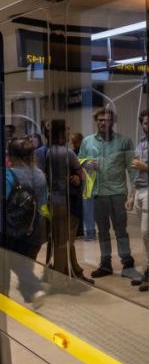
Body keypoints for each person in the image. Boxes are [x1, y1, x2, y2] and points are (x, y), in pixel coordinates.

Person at [78, 108, 141, 281]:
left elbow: (132, 168)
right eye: (100, 120)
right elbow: (79, 159)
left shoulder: (124, 142)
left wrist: (132, 194)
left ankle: (127, 264)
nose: (103, 123)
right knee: (102, 231)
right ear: (96, 121)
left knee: (121, 230)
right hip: (98, 193)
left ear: (113, 122)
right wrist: (85, 163)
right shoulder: (87, 142)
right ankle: (105, 264)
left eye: (107, 120)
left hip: (118, 193)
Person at [45, 120, 93, 284]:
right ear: (60, 133)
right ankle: (61, 280)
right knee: (64, 243)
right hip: (67, 203)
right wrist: (78, 177)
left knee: (64, 241)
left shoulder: (47, 152)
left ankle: (75, 272)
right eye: (66, 130)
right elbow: (82, 176)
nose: (68, 133)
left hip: (53, 201)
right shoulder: (67, 153)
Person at [4, 136, 47, 307]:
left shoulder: (8, 175)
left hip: (9, 230)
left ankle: (9, 300)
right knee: (24, 263)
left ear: (10, 156)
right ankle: (32, 293)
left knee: (8, 266)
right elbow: (43, 204)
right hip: (32, 228)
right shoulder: (40, 175)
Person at [126, 110, 149, 291]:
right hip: (140, 190)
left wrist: (146, 167)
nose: (146, 126)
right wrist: (131, 194)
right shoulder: (141, 144)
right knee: (143, 237)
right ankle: (147, 271)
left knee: (146, 233)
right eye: (144, 123)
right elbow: (136, 172)